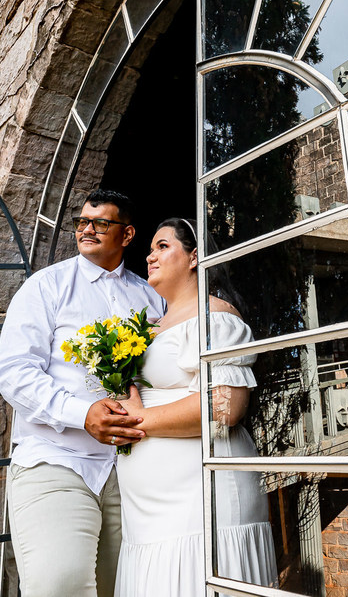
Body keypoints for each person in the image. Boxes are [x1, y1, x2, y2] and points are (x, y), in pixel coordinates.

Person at [0, 189, 164, 597]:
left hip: (131, 471)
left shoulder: (151, 297)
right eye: (81, 223)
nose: (86, 230)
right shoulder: (46, 287)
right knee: (59, 585)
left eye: (100, 223)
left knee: (125, 586)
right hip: (56, 460)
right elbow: (14, 373)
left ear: (126, 235)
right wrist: (81, 413)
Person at [115, 218, 277, 596]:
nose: (149, 255)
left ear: (195, 257)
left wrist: (139, 419)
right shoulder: (149, 328)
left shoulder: (215, 317)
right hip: (147, 511)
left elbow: (225, 408)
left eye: (162, 246)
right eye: (151, 248)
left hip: (201, 497)